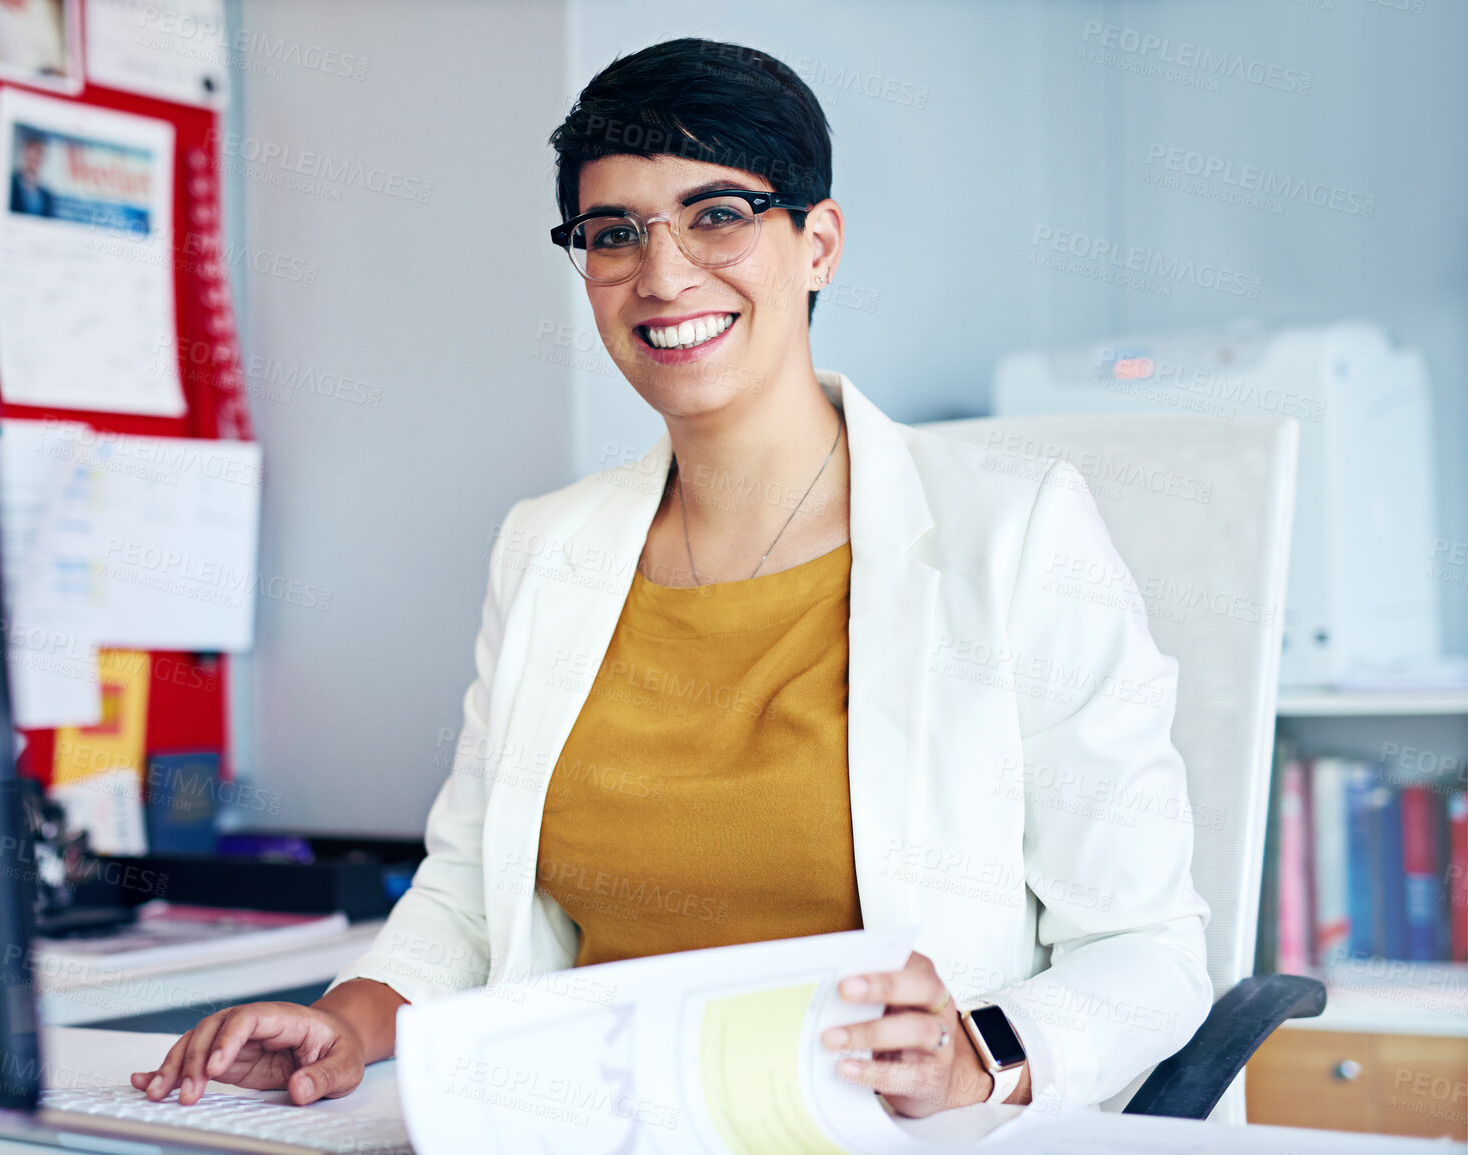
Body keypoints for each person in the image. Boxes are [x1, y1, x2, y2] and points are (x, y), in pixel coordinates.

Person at [134, 37, 1213, 1120]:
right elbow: (470, 895)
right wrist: (347, 1022)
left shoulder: (1013, 531)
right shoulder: (547, 548)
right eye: (615, 234)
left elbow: (1149, 948)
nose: (662, 273)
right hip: (586, 1122)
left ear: (818, 242)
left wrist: (981, 1057)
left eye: (719, 215)